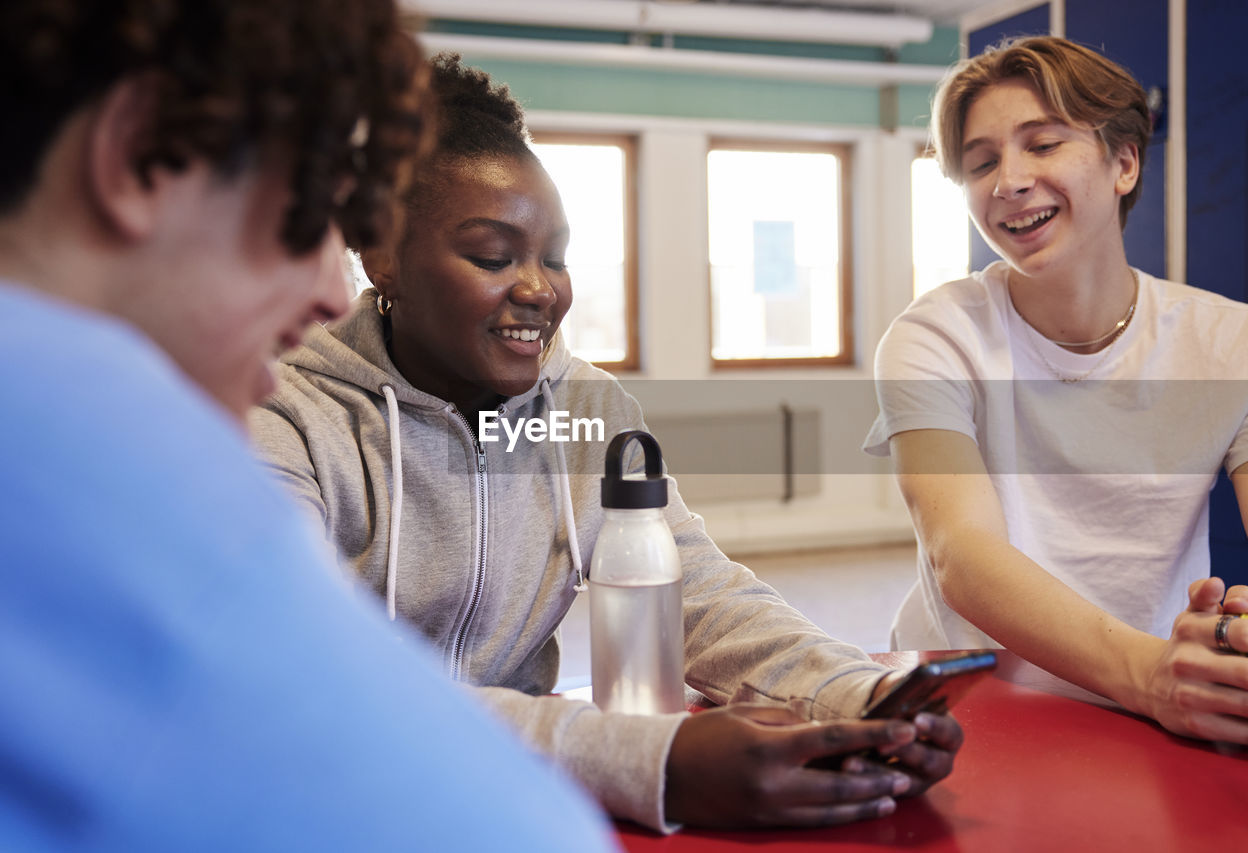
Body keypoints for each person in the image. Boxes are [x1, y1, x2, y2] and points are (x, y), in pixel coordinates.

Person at [250, 53, 964, 833]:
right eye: (494, 256)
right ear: (381, 253)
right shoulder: (282, 413)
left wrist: (857, 699)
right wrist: (644, 760)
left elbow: (696, 593)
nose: (538, 287)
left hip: (518, 805)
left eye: (553, 256)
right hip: (330, 803)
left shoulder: (590, 407)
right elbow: (310, 676)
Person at [0, 2, 620, 850]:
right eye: (305, 206)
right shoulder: (98, 449)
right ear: (140, 155)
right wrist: (649, 760)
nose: (335, 290)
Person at [863, 35, 1248, 746]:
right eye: (982, 162)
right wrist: (1150, 674)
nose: (1008, 181)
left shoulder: (1241, 343)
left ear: (1124, 162)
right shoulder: (932, 337)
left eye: (1043, 144)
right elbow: (958, 552)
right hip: (970, 701)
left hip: (1148, 706)